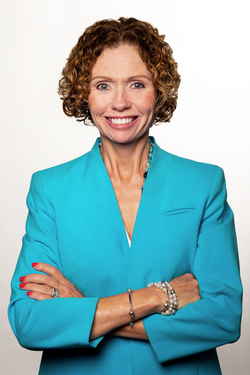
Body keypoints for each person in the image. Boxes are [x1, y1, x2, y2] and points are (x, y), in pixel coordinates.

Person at [8, 17, 242, 375]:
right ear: (84, 93)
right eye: (103, 85)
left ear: (158, 90)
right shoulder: (50, 188)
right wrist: (159, 296)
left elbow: (223, 316)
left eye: (136, 84)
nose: (120, 103)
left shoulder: (204, 183)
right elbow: (29, 320)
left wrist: (83, 309)